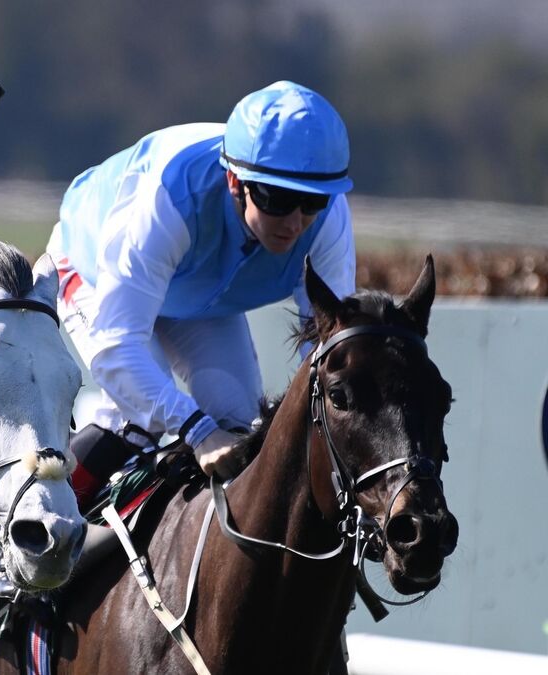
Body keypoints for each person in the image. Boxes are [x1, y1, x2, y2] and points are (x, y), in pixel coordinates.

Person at [47, 81, 356, 507]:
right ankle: (29, 532)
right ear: (234, 181)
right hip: (97, 272)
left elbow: (329, 349)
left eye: (311, 203)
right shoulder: (168, 197)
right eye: (278, 199)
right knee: (137, 419)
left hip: (196, 300)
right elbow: (117, 346)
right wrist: (196, 430)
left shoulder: (330, 221)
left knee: (241, 426)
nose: (295, 222)